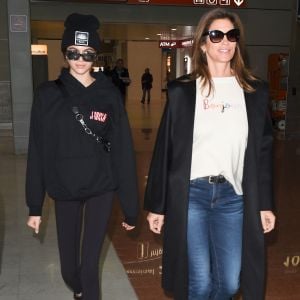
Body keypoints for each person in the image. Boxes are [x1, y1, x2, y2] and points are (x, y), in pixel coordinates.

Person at [144, 8, 275, 300]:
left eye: (232, 35)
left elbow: (263, 154)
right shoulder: (183, 91)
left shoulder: (254, 91)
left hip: (234, 197)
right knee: (200, 283)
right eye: (216, 35)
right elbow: (165, 149)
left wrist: (265, 204)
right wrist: (157, 205)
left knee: (229, 284)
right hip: (192, 195)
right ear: (203, 43)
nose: (224, 42)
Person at [26, 13, 139, 300]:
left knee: (90, 266)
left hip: (101, 186)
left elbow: (123, 151)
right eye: (73, 52)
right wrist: (35, 205)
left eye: (87, 53)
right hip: (64, 188)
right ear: (65, 53)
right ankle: (79, 290)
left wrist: (130, 206)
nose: (79, 59)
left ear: (95, 55)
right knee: (68, 270)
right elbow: (38, 150)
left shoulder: (109, 95)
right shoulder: (47, 95)